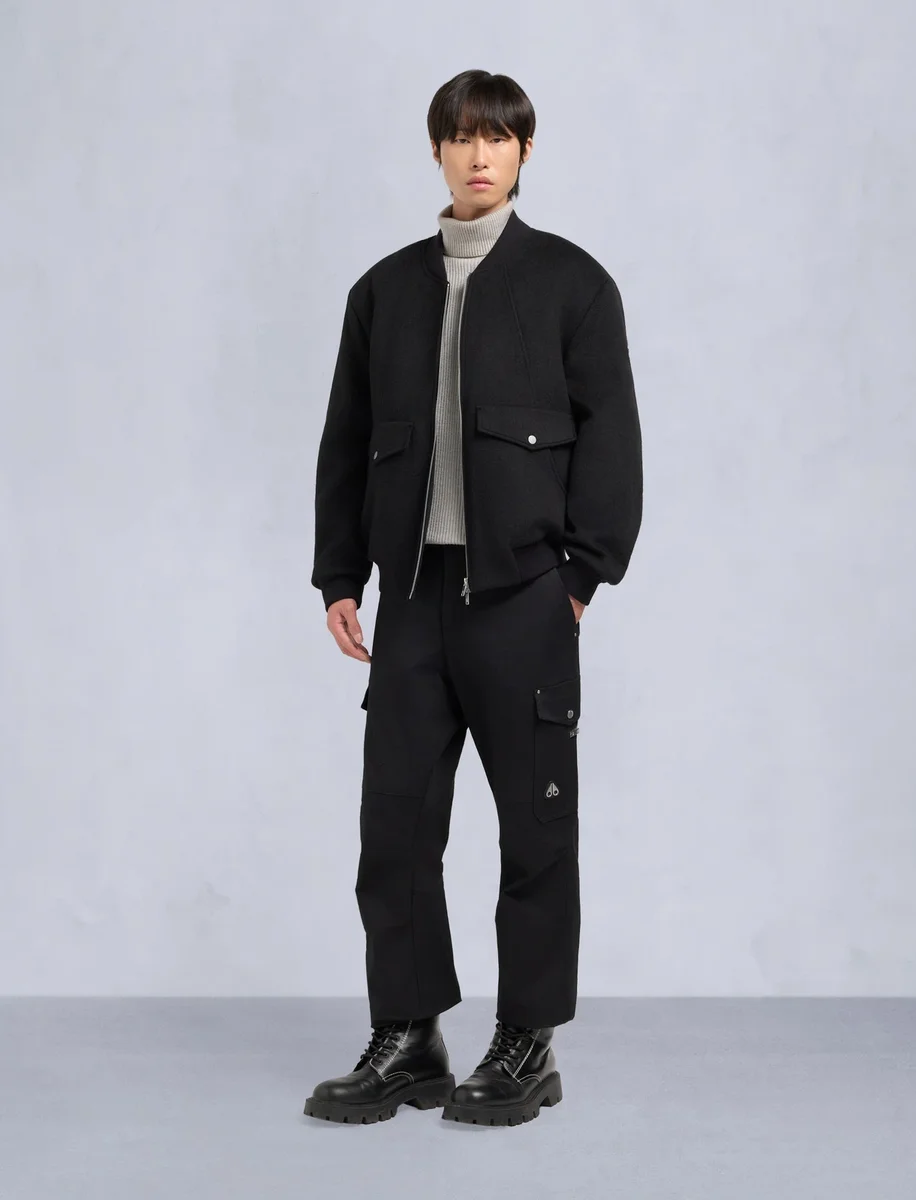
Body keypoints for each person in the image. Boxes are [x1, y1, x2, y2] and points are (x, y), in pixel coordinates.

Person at [304, 68, 643, 1127]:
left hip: (522, 601)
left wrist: (578, 578)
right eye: (461, 137)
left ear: (523, 153)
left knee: (536, 832)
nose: (479, 154)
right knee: (395, 828)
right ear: (437, 151)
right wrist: (339, 574)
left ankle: (527, 1042)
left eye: (498, 137)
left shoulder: (573, 285)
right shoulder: (383, 291)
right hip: (412, 600)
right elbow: (345, 441)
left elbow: (614, 441)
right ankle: (408, 1037)